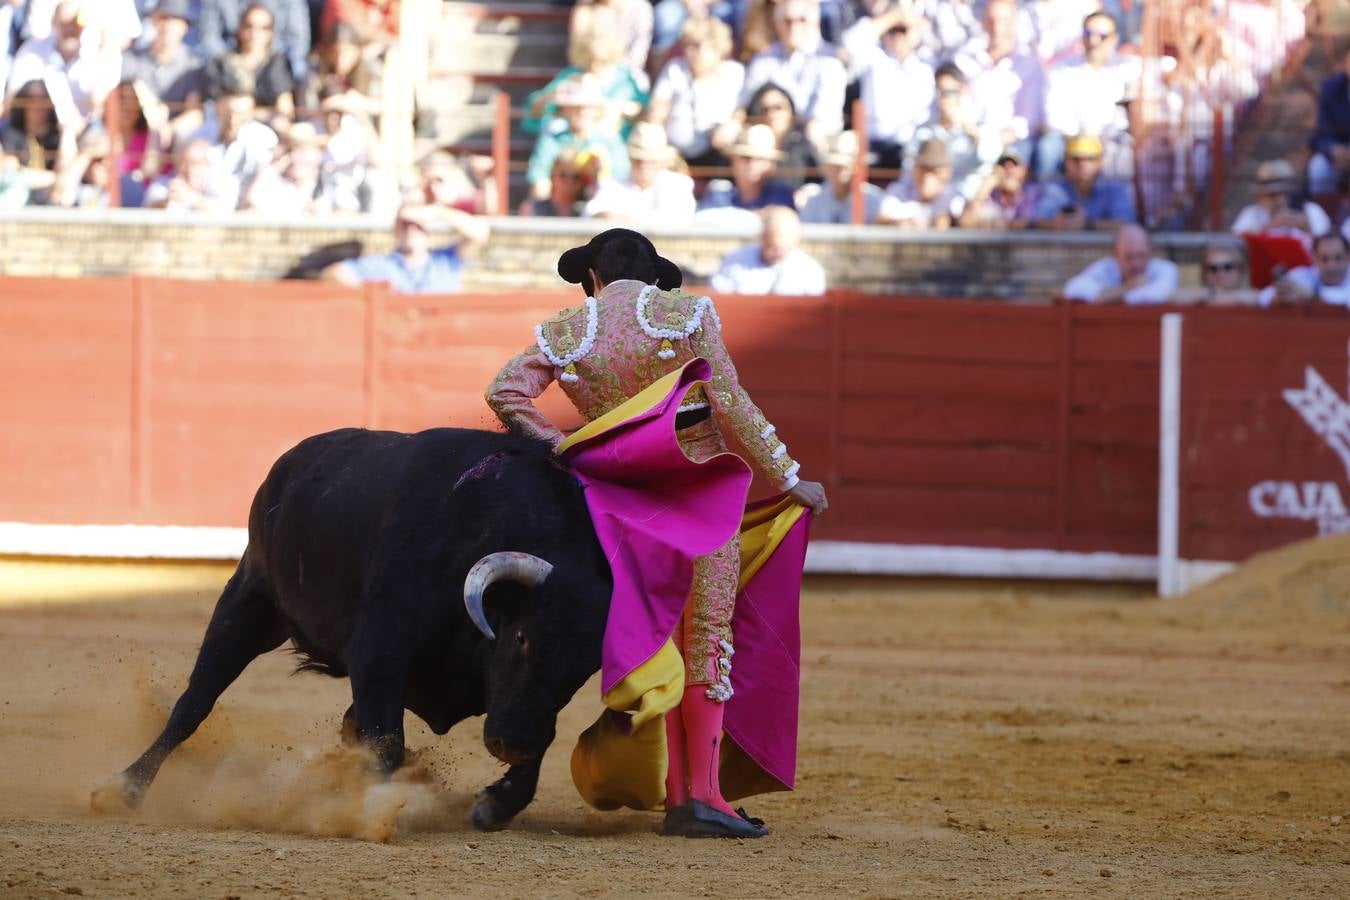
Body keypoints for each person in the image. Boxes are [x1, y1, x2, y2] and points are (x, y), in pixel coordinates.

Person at [485, 227, 828, 839]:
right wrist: (788, 475)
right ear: (655, 273)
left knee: (660, 641)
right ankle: (704, 797)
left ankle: (680, 792)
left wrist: (563, 446)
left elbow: (505, 391)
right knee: (706, 640)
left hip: (619, 512)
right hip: (698, 498)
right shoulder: (685, 313)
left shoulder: (569, 331)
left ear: (592, 278)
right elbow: (729, 398)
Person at [838, 3, 933, 173]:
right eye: (891, 30)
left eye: (902, 30)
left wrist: (912, 21)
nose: (897, 36)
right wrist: (894, 16)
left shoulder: (928, 67)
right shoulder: (875, 60)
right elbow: (850, 42)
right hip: (871, 149)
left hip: (910, 152)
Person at [738, 0, 847, 145]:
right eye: (787, 21)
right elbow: (746, 102)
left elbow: (822, 118)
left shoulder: (830, 61)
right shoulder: (763, 59)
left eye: (801, 20)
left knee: (814, 134)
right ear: (777, 23)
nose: (794, 27)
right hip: (770, 138)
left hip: (813, 142)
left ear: (815, 21)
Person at [645, 15, 743, 169]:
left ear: (716, 47)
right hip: (675, 156)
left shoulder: (734, 73)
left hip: (719, 153)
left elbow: (741, 109)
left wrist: (733, 124)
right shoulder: (675, 69)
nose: (690, 52)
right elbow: (658, 107)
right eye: (687, 45)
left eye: (696, 45)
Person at [321, 204, 489, 293]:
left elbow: (480, 233)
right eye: (405, 224)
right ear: (396, 230)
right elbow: (332, 275)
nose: (411, 230)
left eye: (418, 224)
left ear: (428, 230)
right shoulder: (382, 264)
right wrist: (375, 296)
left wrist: (437, 212)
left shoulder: (446, 260)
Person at [583, 121, 696, 224]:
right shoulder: (613, 185)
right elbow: (591, 212)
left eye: (650, 160)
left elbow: (677, 221)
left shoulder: (679, 184)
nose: (643, 164)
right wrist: (604, 216)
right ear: (630, 159)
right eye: (638, 159)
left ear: (661, 162)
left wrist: (625, 220)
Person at [120, 0, 205, 131]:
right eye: (163, 18)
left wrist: (168, 130)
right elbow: (116, 100)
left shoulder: (192, 65)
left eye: (175, 19)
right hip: (132, 131)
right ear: (153, 21)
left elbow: (194, 113)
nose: (168, 25)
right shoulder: (132, 58)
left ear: (185, 26)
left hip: (173, 137)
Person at [710, 205, 826, 295]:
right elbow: (719, 298)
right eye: (770, 246)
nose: (775, 252)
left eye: (782, 248)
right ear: (762, 238)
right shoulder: (735, 261)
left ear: (796, 243)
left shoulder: (810, 271)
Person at [1031, 133, 1135, 231]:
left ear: (1100, 162)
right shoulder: (1056, 189)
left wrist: (1087, 224)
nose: (1083, 165)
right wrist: (1055, 223)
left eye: (1090, 158)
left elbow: (1127, 223)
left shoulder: (1115, 190)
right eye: (1076, 159)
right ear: (1066, 161)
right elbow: (1037, 220)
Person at [796, 129, 901, 225]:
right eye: (835, 166)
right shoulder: (814, 200)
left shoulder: (875, 199)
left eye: (848, 165)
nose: (842, 170)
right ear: (825, 167)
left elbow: (907, 218)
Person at [1062, 223, 1179, 304]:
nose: (1136, 264)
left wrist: (1108, 297)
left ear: (1150, 251)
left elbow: (1153, 297)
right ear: (1116, 256)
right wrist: (1127, 287)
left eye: (1141, 255)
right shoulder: (1106, 268)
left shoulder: (1166, 269)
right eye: (1129, 257)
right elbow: (1073, 290)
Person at [697, 122, 795, 217]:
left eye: (760, 158)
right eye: (746, 157)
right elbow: (703, 222)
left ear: (772, 165)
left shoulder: (781, 196)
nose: (752, 164)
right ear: (733, 161)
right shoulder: (718, 194)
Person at [1231, 158, 1331, 241]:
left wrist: (1307, 227)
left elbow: (1331, 247)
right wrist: (1269, 226)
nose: (1279, 200)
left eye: (1284, 193)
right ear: (1261, 196)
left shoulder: (1311, 210)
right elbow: (1236, 243)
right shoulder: (1252, 213)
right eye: (1272, 195)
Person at [881, 137, 961, 229]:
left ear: (947, 172)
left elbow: (968, 223)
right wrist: (899, 223)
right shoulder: (898, 191)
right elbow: (881, 219)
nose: (926, 177)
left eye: (933, 171)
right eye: (923, 168)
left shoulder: (954, 196)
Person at [1258, 232, 1350, 307]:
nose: (1331, 266)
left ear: (1348, 257)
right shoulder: (1303, 275)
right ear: (1314, 258)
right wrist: (1278, 296)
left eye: (1338, 258)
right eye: (1324, 259)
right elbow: (1263, 297)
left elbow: (1344, 302)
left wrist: (1311, 295)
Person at [958, 146, 1040, 229]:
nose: (1008, 169)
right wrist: (986, 186)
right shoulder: (989, 192)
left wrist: (1003, 225)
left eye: (1014, 164)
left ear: (1023, 170)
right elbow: (966, 222)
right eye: (1003, 164)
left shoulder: (1031, 191)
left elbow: (1025, 224)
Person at [1308, 46, 1350, 196]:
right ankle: (1324, 215)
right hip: (1337, 157)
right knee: (1318, 168)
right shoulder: (1331, 89)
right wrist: (1334, 151)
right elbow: (1321, 133)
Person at [1171, 243, 1259, 305]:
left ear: (1241, 270)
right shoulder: (1200, 294)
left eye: (1227, 267)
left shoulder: (1255, 296)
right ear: (1205, 273)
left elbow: (1257, 297)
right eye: (1213, 268)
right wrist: (1212, 293)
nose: (1220, 273)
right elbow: (1172, 297)